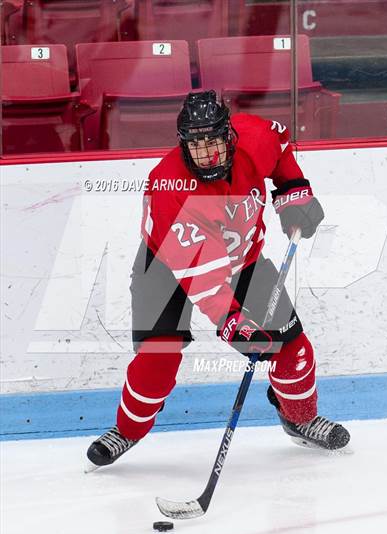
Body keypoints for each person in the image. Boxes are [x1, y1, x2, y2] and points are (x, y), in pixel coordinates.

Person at [87, 90, 350, 467]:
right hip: (164, 269)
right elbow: (205, 284)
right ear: (183, 145)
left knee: (292, 346)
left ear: (229, 136)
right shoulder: (169, 187)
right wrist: (234, 324)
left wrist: (293, 192)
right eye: (196, 144)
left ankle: (300, 419)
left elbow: (280, 146)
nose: (207, 152)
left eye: (214, 141)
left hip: (243, 259)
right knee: (157, 360)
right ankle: (127, 430)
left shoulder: (253, 139)